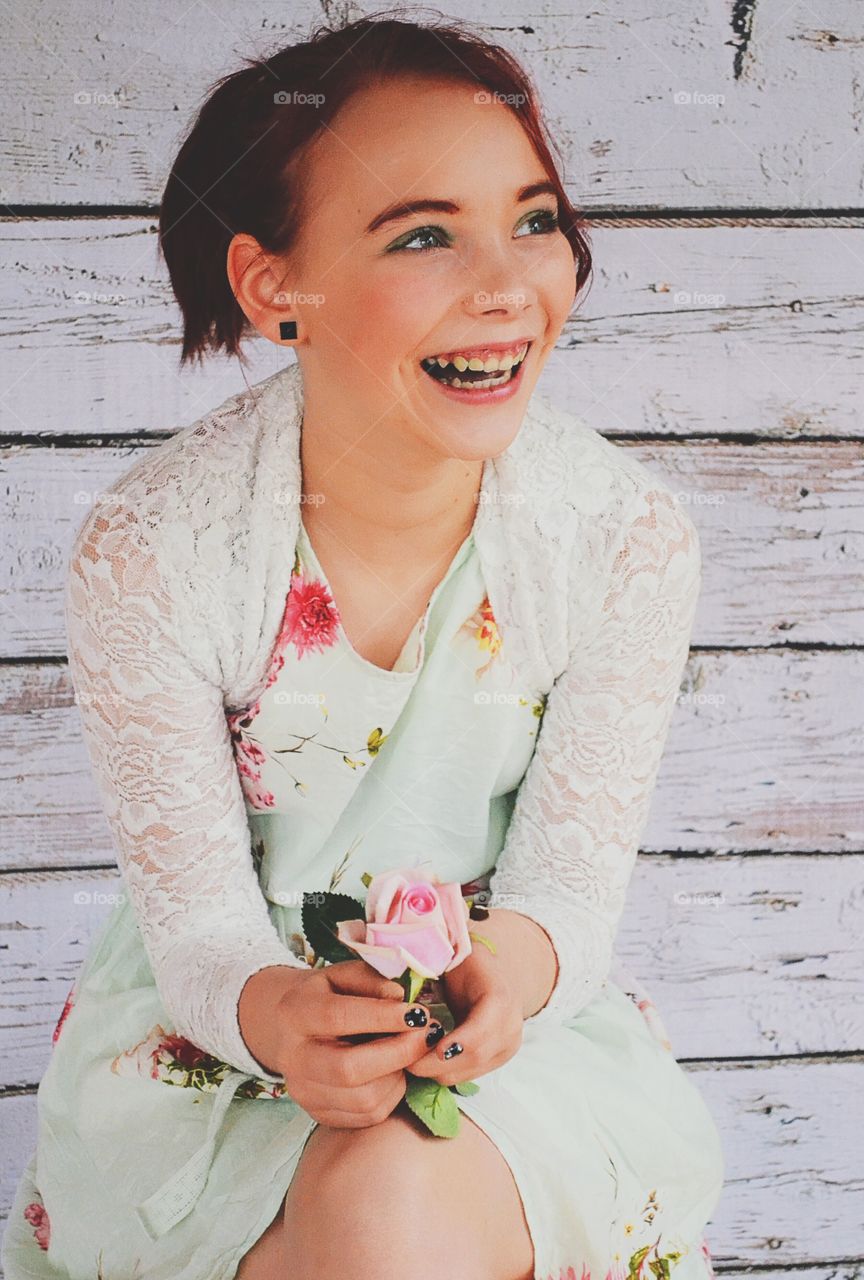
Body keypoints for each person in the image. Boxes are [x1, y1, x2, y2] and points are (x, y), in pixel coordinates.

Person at [1, 13, 725, 1280]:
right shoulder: (155, 549)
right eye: (426, 235)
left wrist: (503, 966)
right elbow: (198, 929)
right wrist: (280, 1012)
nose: (509, 284)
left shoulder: (622, 539)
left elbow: (568, 888)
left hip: (509, 1030)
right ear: (277, 285)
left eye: (536, 219)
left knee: (390, 1199)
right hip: (227, 1032)